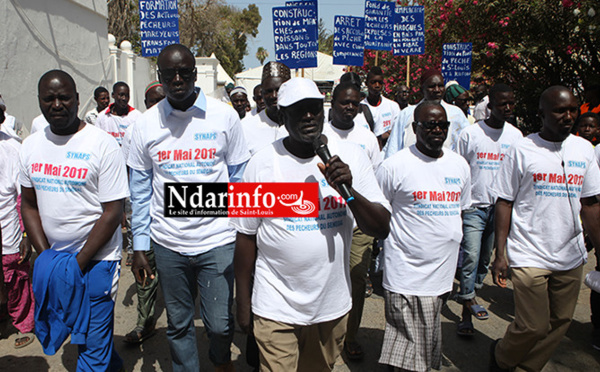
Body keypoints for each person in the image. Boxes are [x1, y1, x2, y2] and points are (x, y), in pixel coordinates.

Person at [232, 77, 391, 372]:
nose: (308, 116)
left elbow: (381, 228)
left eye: (314, 109)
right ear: (282, 116)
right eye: (298, 110)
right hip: (274, 305)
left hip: (330, 307)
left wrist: (349, 189)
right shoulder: (261, 163)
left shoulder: (352, 158)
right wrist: (243, 302)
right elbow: (246, 236)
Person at [127, 44, 249, 372]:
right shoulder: (145, 125)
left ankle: (220, 361)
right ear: (160, 78)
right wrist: (140, 246)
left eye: (184, 73)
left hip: (218, 239)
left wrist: (243, 234)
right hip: (168, 244)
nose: (177, 79)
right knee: (179, 324)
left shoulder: (224, 116)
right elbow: (139, 191)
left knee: (221, 325)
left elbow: (238, 180)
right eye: (170, 74)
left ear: (195, 74)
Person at [20, 69, 128, 370]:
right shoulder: (30, 146)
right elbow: (28, 206)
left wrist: (76, 265)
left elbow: (112, 212)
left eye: (64, 98)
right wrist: (48, 257)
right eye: (49, 99)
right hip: (56, 260)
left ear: (77, 100)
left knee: (91, 349)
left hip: (98, 261)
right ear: (40, 102)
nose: (57, 104)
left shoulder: (102, 144)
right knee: (85, 333)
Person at [490, 86, 600, 372]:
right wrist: (500, 254)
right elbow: (504, 201)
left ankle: (527, 367)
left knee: (560, 321)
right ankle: (502, 357)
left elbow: (589, 204)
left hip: (570, 254)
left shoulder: (584, 149)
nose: (568, 116)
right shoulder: (522, 149)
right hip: (529, 252)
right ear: (541, 114)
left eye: (573, 110)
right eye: (560, 110)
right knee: (533, 325)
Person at [377, 101, 471, 372]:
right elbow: (379, 213)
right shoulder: (394, 166)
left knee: (425, 343)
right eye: (430, 125)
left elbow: (460, 212)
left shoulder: (459, 165)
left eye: (443, 125)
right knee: (410, 349)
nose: (438, 130)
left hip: (440, 276)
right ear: (415, 127)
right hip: (405, 273)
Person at [454, 83, 523, 337]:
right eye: (502, 104)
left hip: (501, 210)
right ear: (490, 107)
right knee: (471, 255)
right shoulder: (471, 134)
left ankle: (470, 292)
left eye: (511, 104)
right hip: (474, 206)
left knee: (484, 260)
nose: (507, 108)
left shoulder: (516, 137)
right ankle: (466, 311)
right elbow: (457, 168)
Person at [322, 81, 382, 361]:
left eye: (355, 103)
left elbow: (376, 181)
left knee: (357, 281)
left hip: (358, 227)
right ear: (332, 103)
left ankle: (351, 335)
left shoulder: (367, 138)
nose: (349, 108)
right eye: (344, 102)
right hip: (327, 224)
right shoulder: (318, 135)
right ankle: (326, 333)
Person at [122, 81, 165, 345]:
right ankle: (145, 322)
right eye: (152, 102)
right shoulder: (136, 130)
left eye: (162, 100)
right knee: (145, 272)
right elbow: (129, 174)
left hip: (179, 218)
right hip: (146, 215)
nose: (157, 107)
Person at [0, 115, 35, 349]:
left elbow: (23, 196)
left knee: (15, 280)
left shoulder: (12, 149)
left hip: (7, 230)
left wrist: (25, 234)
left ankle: (23, 324)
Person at [385, 69, 470, 157]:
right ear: (422, 89)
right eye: (432, 86)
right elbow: (393, 147)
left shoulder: (456, 113)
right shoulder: (406, 114)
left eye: (440, 86)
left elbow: (466, 144)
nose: (437, 90)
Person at [241, 61, 291, 155]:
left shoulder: (302, 126)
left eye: (278, 90)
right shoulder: (246, 127)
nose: (274, 96)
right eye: (268, 91)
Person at [361, 66, 401, 148]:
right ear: (366, 83)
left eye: (380, 82)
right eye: (373, 82)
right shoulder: (359, 108)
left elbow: (398, 130)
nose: (377, 85)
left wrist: (386, 135)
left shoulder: (393, 106)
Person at [95, 82, 142, 146]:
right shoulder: (102, 117)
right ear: (113, 95)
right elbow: (98, 141)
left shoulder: (137, 116)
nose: (124, 98)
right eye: (121, 95)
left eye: (127, 95)